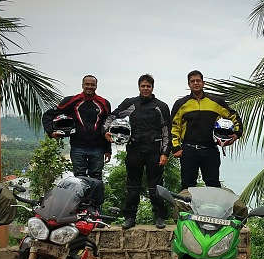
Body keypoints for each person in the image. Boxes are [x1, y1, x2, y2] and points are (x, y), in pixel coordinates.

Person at [103, 74, 171, 230]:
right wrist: (105, 131)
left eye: (148, 86)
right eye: (143, 86)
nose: (145, 88)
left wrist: (165, 153)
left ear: (153, 87)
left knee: (156, 188)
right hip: (134, 150)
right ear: (139, 87)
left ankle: (159, 217)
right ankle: (130, 217)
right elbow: (112, 116)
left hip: (154, 151)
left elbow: (167, 131)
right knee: (133, 187)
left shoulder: (161, 106)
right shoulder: (130, 103)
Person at [42, 74, 112, 208]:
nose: (89, 87)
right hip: (78, 147)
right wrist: (50, 131)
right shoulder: (73, 100)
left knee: (96, 180)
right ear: (82, 85)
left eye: (92, 84)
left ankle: (95, 212)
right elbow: (48, 114)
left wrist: (107, 149)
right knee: (78, 180)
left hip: (97, 148)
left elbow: (107, 126)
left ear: (96, 86)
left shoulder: (103, 103)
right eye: (87, 84)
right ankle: (80, 210)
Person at [170, 70, 242, 191]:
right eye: (192, 81)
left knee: (213, 184)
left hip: (210, 150)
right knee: (187, 185)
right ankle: (187, 210)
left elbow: (233, 116)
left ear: (203, 83)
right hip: (189, 150)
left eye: (198, 81)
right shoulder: (181, 104)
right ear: (189, 85)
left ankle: (214, 209)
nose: (196, 83)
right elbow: (174, 126)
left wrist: (237, 134)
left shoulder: (216, 102)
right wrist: (176, 147)